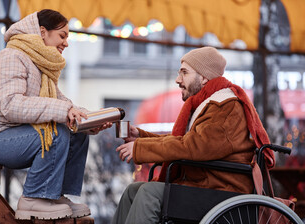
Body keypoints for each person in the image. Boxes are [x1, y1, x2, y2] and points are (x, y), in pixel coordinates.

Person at [0, 9, 110, 220]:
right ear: (42, 32)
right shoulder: (11, 56)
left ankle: (54, 196)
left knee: (76, 133)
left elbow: (59, 102)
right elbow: (11, 105)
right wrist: (64, 111)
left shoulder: (38, 62)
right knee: (56, 132)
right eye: (62, 36)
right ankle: (33, 198)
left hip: (11, 135)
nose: (66, 43)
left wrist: (84, 120)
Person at [112, 47, 276, 224]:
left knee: (149, 193)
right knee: (133, 191)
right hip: (204, 184)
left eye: (184, 73)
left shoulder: (225, 107)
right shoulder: (209, 104)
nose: (178, 80)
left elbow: (194, 146)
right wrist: (140, 137)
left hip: (221, 189)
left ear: (204, 77)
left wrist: (139, 148)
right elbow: (186, 141)